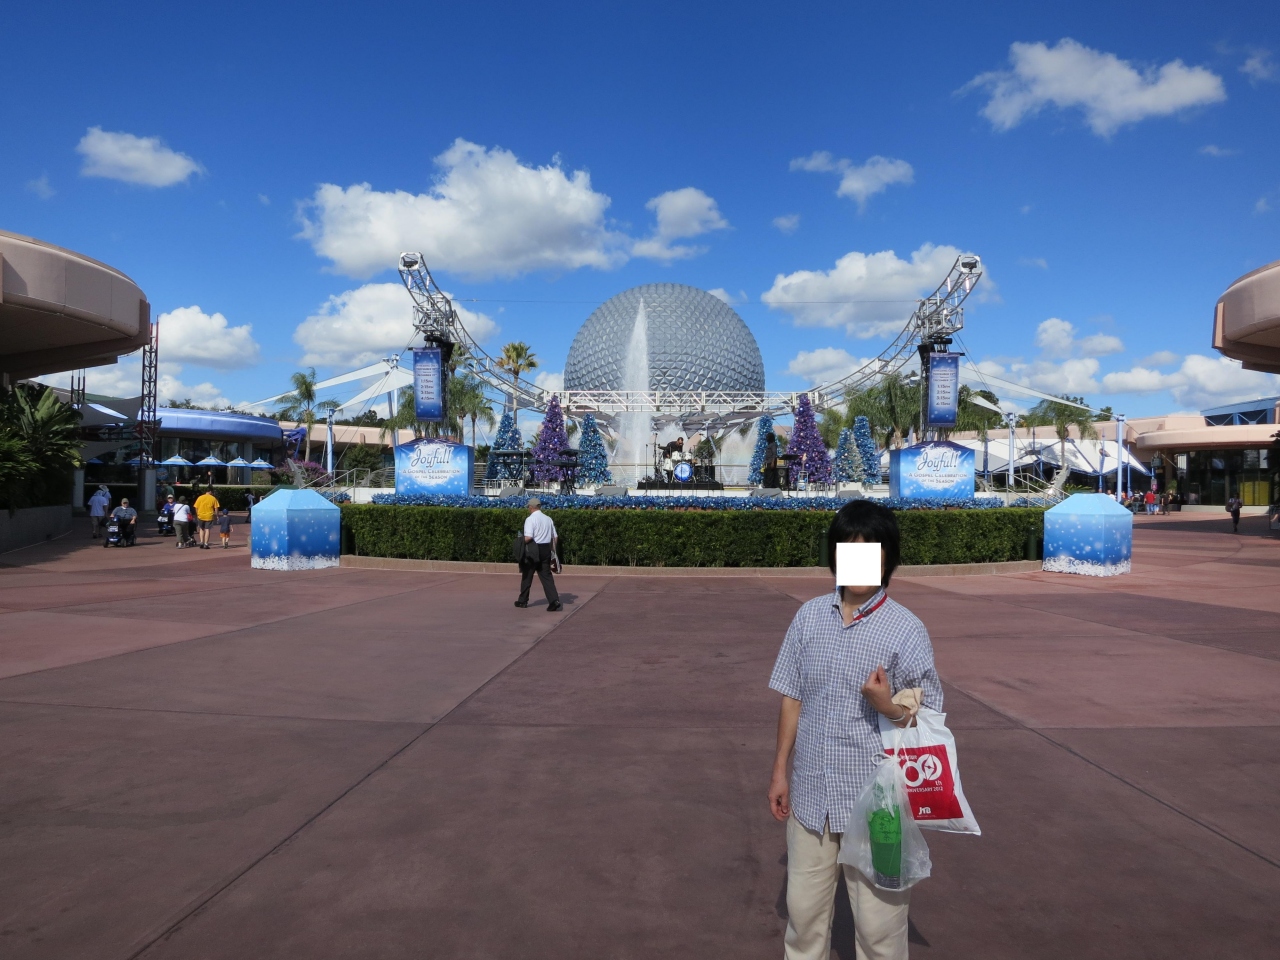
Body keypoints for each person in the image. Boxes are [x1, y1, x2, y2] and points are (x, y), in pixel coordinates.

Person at [767, 499, 941, 960]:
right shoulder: (808, 617)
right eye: (850, 549)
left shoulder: (905, 629)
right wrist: (780, 770)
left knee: (879, 931)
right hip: (812, 797)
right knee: (803, 920)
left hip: (879, 805)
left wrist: (887, 705)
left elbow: (928, 717)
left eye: (871, 551)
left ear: (888, 559)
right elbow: (792, 697)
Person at [514, 497, 562, 612]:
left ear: (531, 507)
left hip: (533, 549)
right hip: (546, 549)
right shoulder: (548, 519)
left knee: (527, 575)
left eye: (528, 507)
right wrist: (552, 551)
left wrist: (519, 541)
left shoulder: (530, 519)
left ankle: (523, 601)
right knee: (546, 576)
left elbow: (529, 537)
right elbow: (555, 537)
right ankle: (554, 600)